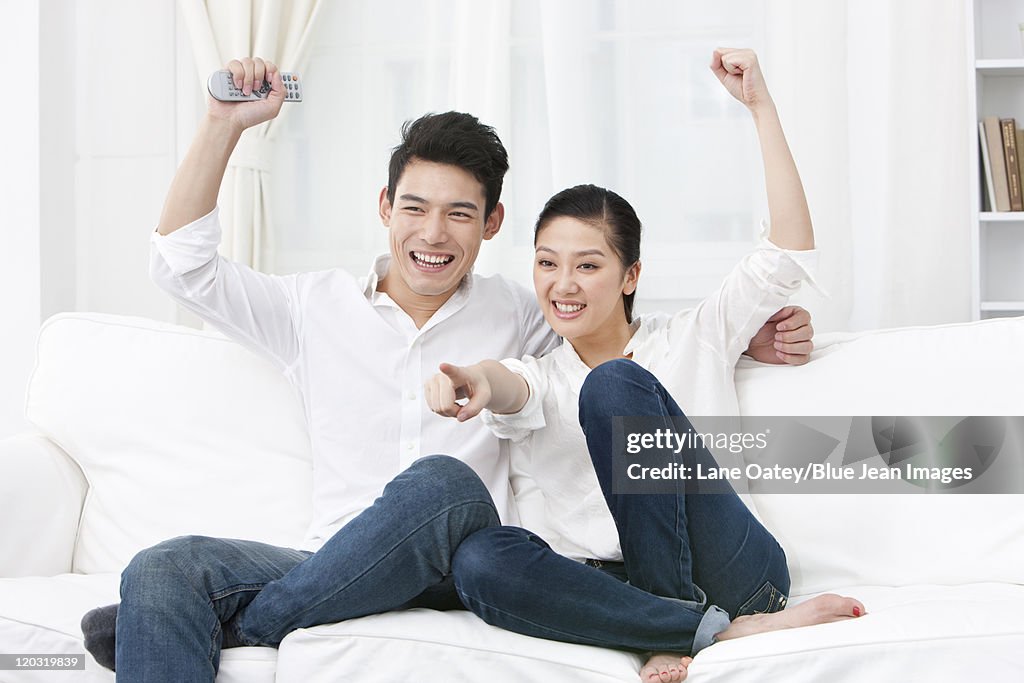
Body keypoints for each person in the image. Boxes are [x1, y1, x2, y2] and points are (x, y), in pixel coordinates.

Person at [80, 56, 815, 680]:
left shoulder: (521, 310)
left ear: (491, 224)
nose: (433, 234)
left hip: (458, 557)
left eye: (460, 214)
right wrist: (222, 124)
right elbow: (181, 266)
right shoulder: (311, 307)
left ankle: (237, 625)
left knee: (442, 485)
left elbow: (605, 339)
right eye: (415, 208)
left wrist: (744, 335)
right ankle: (238, 615)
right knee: (161, 568)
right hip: (331, 567)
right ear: (384, 207)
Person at [425, 48, 865, 683]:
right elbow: (506, 385)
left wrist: (760, 106)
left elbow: (787, 250)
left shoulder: (696, 335)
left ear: (630, 274)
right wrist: (476, 381)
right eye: (547, 263)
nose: (563, 284)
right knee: (479, 559)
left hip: (733, 568)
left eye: (588, 264)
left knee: (615, 386)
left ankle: (672, 624)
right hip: (610, 585)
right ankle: (701, 628)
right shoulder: (542, 373)